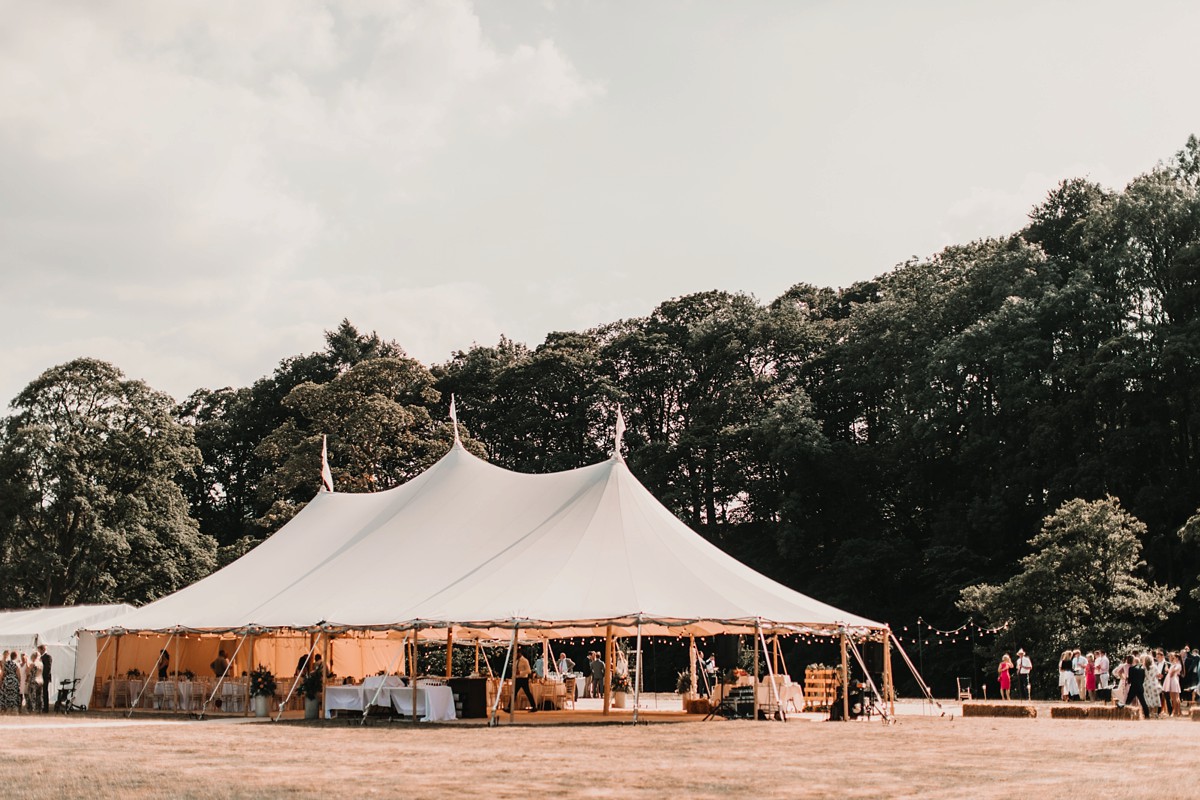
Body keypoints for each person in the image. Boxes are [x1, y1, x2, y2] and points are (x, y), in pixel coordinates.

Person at [1164, 652, 1182, 717]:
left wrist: (1167, 670)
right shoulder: (1175, 664)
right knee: (1174, 697)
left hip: (1173, 681)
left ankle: (1175, 712)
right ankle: (1177, 712)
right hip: (1171, 680)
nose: (1173, 659)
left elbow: (1172, 673)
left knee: (1175, 698)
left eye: (1174, 658)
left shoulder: (1178, 665)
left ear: (1177, 658)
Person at [38, 645, 52, 714]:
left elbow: (48, 668)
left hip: (45, 678)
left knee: (45, 692)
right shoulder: (40, 657)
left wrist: (43, 677)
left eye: (39, 650)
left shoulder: (48, 657)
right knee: (41, 693)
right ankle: (42, 706)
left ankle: (46, 708)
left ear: (42, 649)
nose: (39, 652)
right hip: (40, 677)